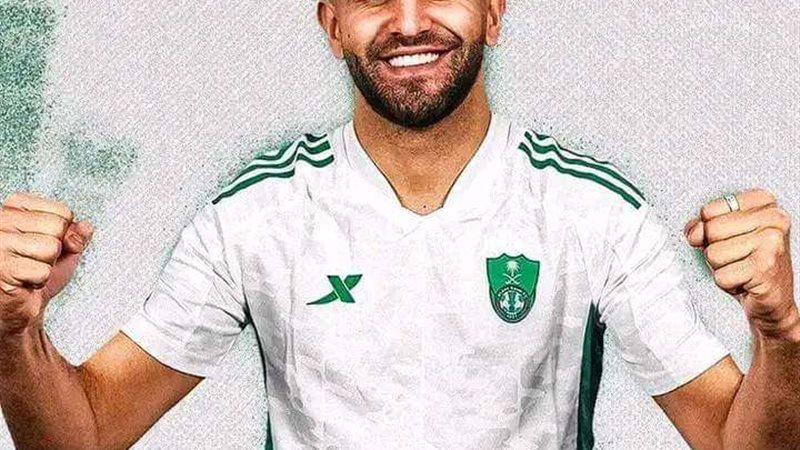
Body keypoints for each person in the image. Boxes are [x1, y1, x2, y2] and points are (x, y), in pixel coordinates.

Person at [0, 0, 798, 448]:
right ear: (330, 22)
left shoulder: (591, 210)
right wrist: (13, 330)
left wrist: (782, 333)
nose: (410, 21)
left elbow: (742, 445)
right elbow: (83, 436)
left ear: (493, 13)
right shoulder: (257, 212)